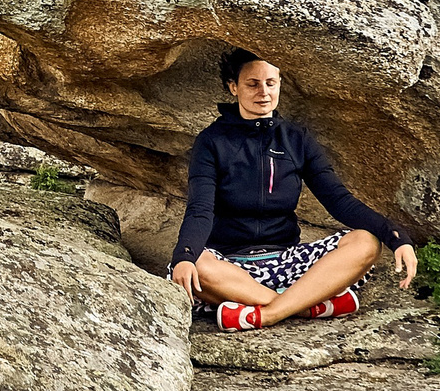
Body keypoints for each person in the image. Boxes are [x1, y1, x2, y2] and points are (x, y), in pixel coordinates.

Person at [171, 48, 417, 331]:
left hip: (288, 260)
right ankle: (306, 306)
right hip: (231, 264)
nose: (263, 92)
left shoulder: (296, 139)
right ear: (233, 87)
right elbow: (201, 209)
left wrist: (397, 237)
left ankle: (266, 314)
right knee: (195, 265)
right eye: (252, 84)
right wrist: (186, 256)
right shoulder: (211, 141)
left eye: (270, 83)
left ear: (279, 84)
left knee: (366, 242)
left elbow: (339, 201)